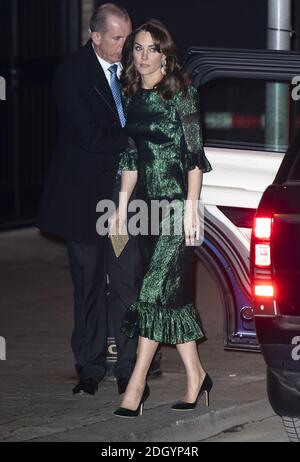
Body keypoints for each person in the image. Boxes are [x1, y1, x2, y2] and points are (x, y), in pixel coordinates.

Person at [111, 19, 213, 418]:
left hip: (175, 208)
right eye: (138, 48)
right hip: (147, 210)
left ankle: (136, 388)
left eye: (152, 48)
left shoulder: (181, 94)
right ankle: (196, 376)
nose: (144, 55)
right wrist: (121, 206)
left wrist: (191, 208)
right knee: (170, 296)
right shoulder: (132, 94)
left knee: (150, 293)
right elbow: (133, 158)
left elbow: (194, 157)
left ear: (166, 55)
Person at [37, 3, 139, 396]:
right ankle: (90, 367)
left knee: (127, 282)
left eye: (128, 37)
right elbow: (90, 136)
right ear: (95, 36)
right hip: (85, 200)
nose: (124, 46)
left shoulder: (132, 68)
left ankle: (129, 370)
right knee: (89, 284)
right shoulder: (71, 74)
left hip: (125, 197)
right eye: (117, 39)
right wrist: (137, 138)